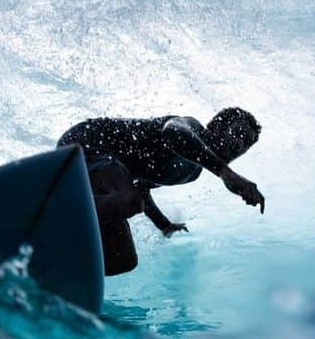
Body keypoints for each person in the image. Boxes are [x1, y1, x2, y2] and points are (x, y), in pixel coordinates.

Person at [57, 108, 264, 275]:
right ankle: (56, 210)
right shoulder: (193, 128)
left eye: (246, 144)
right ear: (217, 126)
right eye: (238, 133)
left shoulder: (192, 172)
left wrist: (164, 225)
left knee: (123, 260)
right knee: (130, 200)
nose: (239, 144)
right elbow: (171, 132)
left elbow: (141, 187)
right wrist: (225, 173)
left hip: (105, 175)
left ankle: (54, 262)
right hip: (88, 142)